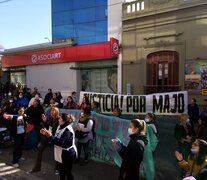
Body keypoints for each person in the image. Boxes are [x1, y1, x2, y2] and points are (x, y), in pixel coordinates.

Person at [40, 113, 77, 180]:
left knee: (67, 172)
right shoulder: (60, 126)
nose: (58, 119)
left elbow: (61, 142)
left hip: (68, 154)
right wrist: (46, 134)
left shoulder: (68, 131)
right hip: (60, 152)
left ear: (63, 120)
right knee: (61, 171)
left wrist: (50, 136)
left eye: (60, 118)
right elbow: (54, 136)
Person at [28, 107, 60, 173]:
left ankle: (58, 169)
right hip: (49, 137)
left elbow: (58, 130)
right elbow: (47, 127)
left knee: (58, 153)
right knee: (40, 150)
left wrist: (50, 133)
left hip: (56, 138)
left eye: (53, 111)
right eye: (51, 111)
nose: (51, 112)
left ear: (57, 112)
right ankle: (37, 168)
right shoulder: (51, 119)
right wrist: (44, 121)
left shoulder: (59, 119)